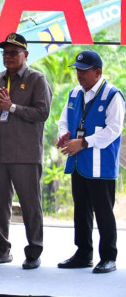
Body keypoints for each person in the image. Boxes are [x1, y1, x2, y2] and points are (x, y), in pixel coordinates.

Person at [0, 32, 52, 270]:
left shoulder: (37, 79)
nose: (8, 57)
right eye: (5, 53)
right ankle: (2, 250)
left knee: (31, 205)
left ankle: (34, 252)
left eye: (13, 53)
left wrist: (11, 107)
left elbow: (42, 113)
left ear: (26, 54)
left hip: (26, 155)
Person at [56, 50, 124, 274]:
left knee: (103, 211)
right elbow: (63, 120)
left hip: (100, 165)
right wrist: (64, 134)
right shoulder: (75, 92)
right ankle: (83, 253)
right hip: (78, 162)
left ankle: (108, 257)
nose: (79, 75)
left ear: (98, 72)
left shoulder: (113, 95)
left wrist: (83, 143)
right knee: (81, 209)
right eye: (77, 70)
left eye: (84, 71)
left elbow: (114, 130)